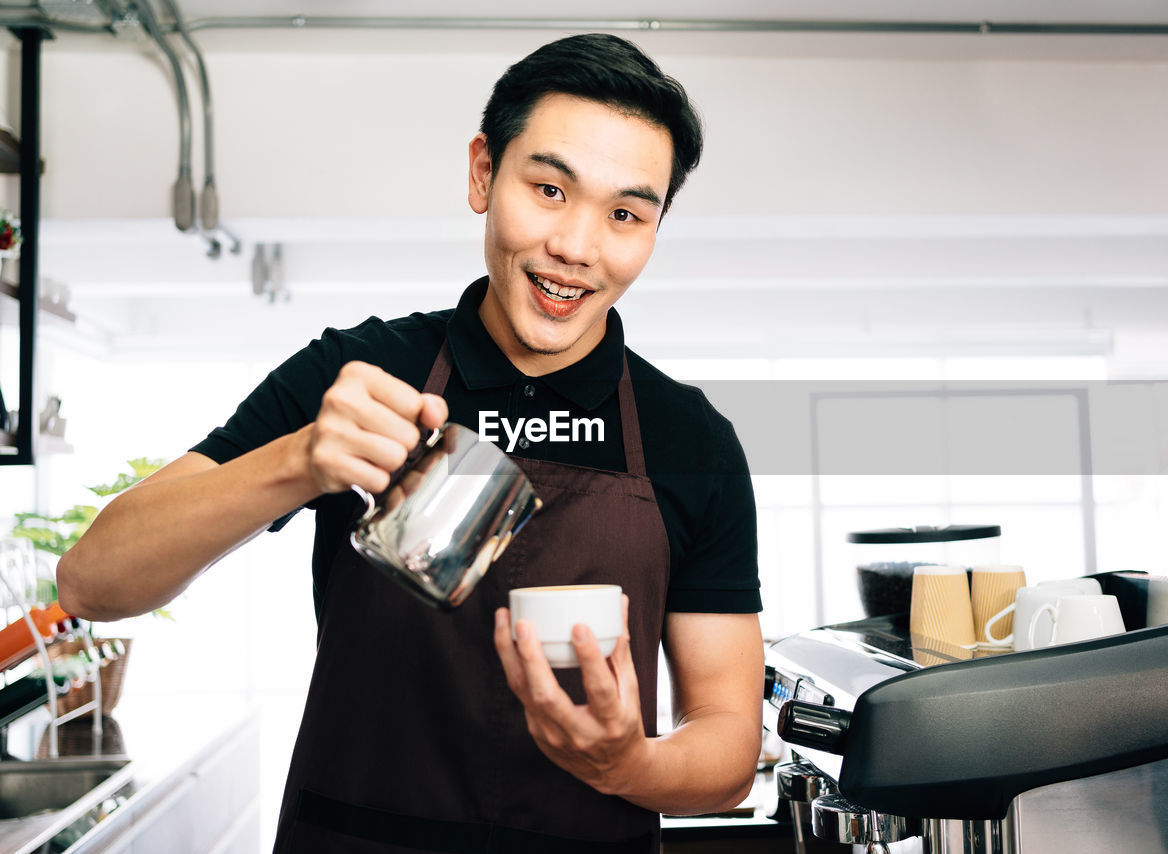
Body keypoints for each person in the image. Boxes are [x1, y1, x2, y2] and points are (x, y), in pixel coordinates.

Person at [58, 33, 763, 853]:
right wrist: (298, 460)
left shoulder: (692, 439)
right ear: (482, 173)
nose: (577, 246)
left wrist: (626, 762)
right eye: (547, 189)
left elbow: (727, 746)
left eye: (625, 214)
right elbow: (91, 582)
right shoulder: (357, 373)